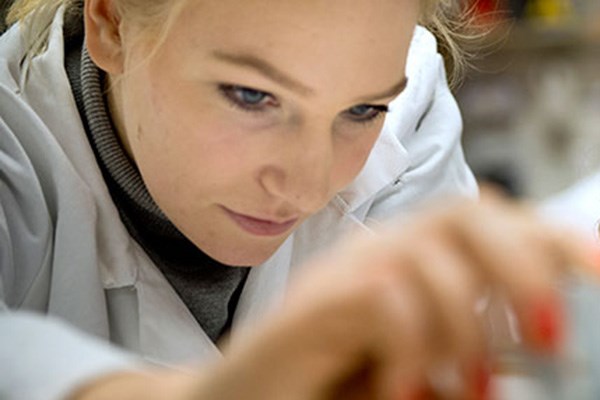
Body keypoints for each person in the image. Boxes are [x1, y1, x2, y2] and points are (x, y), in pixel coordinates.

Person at [0, 0, 596, 399]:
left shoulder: (408, 113)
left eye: (361, 110)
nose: (309, 188)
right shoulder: (13, 147)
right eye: (250, 95)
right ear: (113, 24)